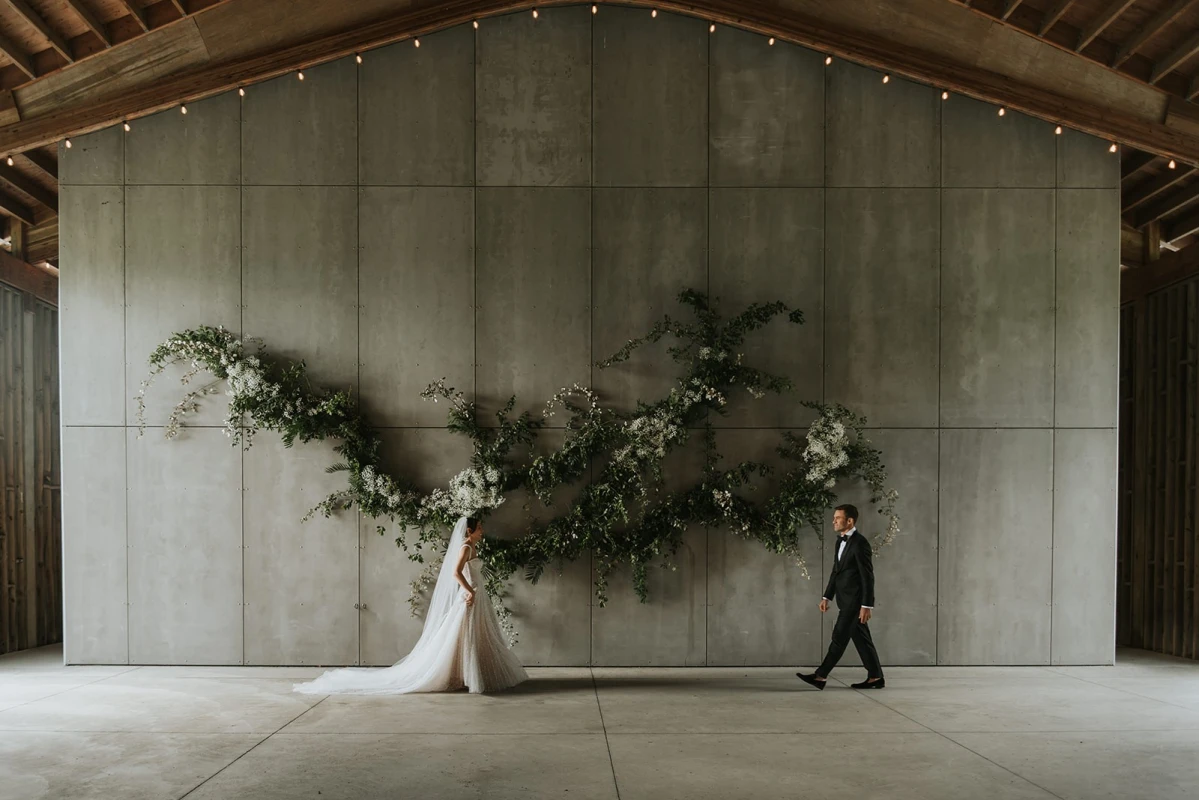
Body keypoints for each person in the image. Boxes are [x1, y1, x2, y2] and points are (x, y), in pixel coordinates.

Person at [293, 516, 527, 695]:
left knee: (473, 635)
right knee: (465, 635)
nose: (482, 531)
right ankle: (465, 675)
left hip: (476, 595)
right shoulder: (466, 547)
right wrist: (468, 591)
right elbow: (456, 573)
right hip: (470, 596)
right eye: (479, 528)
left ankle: (469, 674)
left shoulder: (472, 547)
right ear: (469, 531)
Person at [797, 504, 885, 690]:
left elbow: (867, 576)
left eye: (837, 518)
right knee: (862, 640)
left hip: (854, 602)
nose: (833, 521)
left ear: (849, 521)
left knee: (839, 637)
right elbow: (836, 572)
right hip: (843, 600)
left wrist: (866, 605)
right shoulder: (840, 541)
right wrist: (827, 596)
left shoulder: (860, 544)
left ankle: (820, 676)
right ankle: (876, 677)